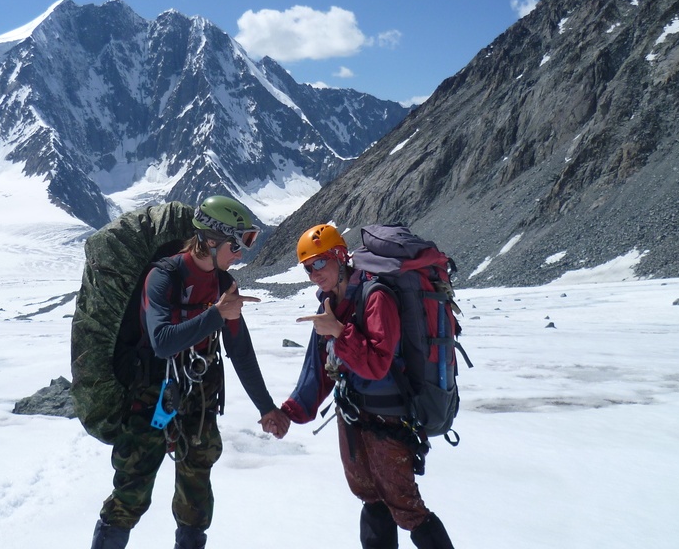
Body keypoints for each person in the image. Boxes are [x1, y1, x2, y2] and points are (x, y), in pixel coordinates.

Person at [91, 195, 291, 549]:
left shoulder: (224, 285)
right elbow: (162, 342)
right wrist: (216, 315)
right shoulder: (163, 276)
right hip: (151, 394)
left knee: (195, 501)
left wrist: (266, 408)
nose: (241, 252)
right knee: (131, 494)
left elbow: (240, 353)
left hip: (199, 396)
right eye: (237, 242)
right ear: (211, 241)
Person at [278, 224, 456, 549]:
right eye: (308, 268)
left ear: (339, 256)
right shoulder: (331, 304)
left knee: (406, 508)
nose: (315, 273)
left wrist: (338, 332)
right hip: (353, 416)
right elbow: (319, 369)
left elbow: (377, 364)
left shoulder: (377, 296)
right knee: (371, 499)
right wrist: (291, 412)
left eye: (320, 262)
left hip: (388, 420)